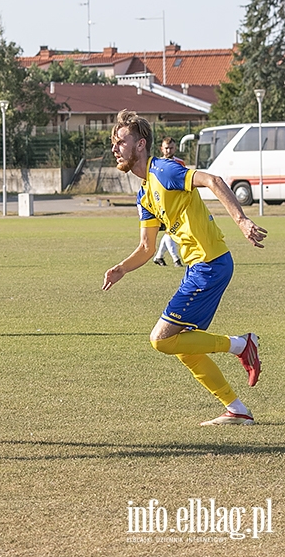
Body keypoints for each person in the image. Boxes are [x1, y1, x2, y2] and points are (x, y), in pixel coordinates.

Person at [102, 110, 267, 426]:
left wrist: (242, 220)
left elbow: (213, 180)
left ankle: (242, 344)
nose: (115, 149)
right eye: (113, 143)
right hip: (201, 268)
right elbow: (148, 248)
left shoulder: (163, 171)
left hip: (209, 265)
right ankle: (237, 409)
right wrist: (122, 268)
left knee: (161, 339)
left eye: (120, 141)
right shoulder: (144, 193)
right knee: (183, 346)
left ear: (140, 144)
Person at [153, 137, 185, 267]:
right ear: (161, 148)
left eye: (171, 148)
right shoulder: (156, 164)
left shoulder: (180, 163)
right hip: (162, 204)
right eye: (166, 148)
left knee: (170, 230)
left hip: (176, 203)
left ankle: (159, 257)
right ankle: (175, 259)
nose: (168, 150)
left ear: (175, 148)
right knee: (170, 230)